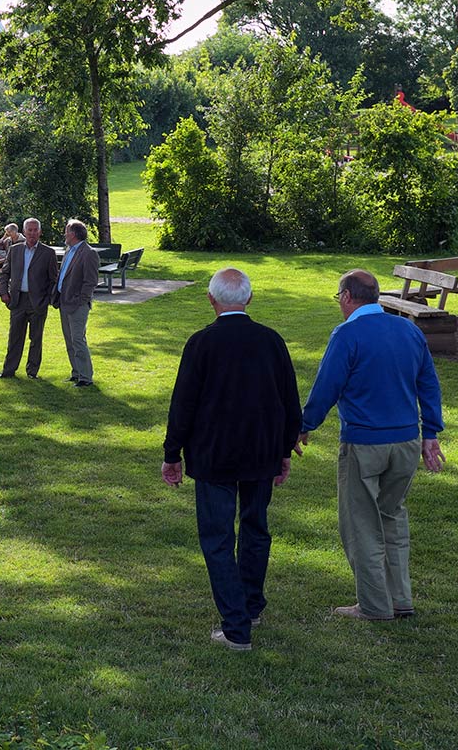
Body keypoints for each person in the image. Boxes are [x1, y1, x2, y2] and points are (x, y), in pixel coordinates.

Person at [161, 268, 302, 652]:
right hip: (260, 451)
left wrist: (172, 454)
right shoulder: (271, 341)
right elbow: (290, 400)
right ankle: (250, 606)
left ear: (211, 300)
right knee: (255, 529)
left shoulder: (202, 343)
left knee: (219, 536)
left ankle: (238, 625)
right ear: (249, 299)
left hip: (214, 455)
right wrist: (285, 449)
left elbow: (183, 405)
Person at [299, 269, 446, 622]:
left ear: (347, 297)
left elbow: (327, 387)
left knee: (361, 524)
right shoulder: (409, 329)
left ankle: (374, 606)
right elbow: (428, 383)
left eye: (339, 299)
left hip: (364, 443)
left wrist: (304, 426)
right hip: (407, 442)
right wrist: (431, 433)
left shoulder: (347, 334)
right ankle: (400, 599)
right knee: (392, 517)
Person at [0, 218, 58, 379]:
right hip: (17, 300)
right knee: (14, 337)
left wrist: (47, 300)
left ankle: (32, 372)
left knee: (36, 338)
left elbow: (53, 280)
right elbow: (5, 273)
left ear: (40, 232)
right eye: (29, 230)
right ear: (24, 232)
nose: (32, 233)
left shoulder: (48, 253)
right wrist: (4, 292)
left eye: (35, 230)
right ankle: (8, 371)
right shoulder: (15, 250)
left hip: (38, 302)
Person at [55, 219, 100, 387]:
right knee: (69, 340)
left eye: (66, 231)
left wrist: (82, 300)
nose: (64, 234)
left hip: (77, 305)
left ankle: (86, 377)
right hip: (64, 302)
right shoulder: (69, 250)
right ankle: (76, 372)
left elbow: (91, 281)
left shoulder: (88, 253)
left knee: (78, 340)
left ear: (73, 234)